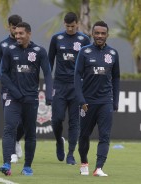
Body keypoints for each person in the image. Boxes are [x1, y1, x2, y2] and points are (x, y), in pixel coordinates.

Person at [0, 22, 53, 176]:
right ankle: (6, 163)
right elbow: (3, 74)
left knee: (30, 133)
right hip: (13, 98)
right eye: (16, 33)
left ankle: (27, 166)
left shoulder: (39, 51)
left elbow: (48, 74)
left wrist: (49, 95)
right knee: (9, 128)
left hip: (31, 99)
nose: (18, 36)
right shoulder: (9, 51)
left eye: (21, 33)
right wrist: (15, 92)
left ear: (29, 34)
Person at [74, 20, 120, 176]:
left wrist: (115, 100)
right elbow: (77, 76)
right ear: (92, 34)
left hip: (105, 101)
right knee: (84, 135)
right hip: (87, 102)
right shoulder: (84, 52)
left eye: (103, 33)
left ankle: (99, 167)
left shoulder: (113, 53)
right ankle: (84, 162)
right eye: (97, 33)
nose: (100, 36)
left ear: (107, 35)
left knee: (105, 135)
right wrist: (81, 100)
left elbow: (116, 78)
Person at [48, 12, 90, 165]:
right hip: (59, 85)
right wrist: (48, 84)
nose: (70, 29)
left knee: (74, 122)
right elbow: (49, 63)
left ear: (77, 24)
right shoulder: (57, 39)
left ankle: (71, 153)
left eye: (73, 26)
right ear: (64, 24)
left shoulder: (84, 40)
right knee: (56, 119)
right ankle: (59, 140)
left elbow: (88, 63)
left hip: (77, 86)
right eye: (68, 26)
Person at [0, 14, 24, 163]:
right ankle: (10, 153)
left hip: (24, 89)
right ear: (9, 26)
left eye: (18, 27)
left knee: (23, 123)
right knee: (10, 122)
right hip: (7, 89)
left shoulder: (26, 45)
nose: (16, 31)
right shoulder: (2, 46)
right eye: (13, 27)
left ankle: (17, 141)